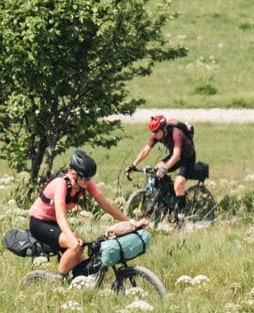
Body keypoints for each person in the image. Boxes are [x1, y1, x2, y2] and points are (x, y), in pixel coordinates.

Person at [28, 149, 145, 277]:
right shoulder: (60, 184)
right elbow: (61, 217)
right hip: (39, 223)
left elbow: (106, 205)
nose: (87, 180)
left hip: (54, 224)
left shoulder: (84, 181)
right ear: (73, 173)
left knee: (82, 246)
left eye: (90, 177)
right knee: (75, 246)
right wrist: (72, 240)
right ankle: (58, 281)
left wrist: (131, 223)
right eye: (85, 177)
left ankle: (76, 279)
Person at [128, 115, 199, 219]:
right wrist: (133, 165)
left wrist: (165, 168)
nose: (154, 134)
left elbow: (176, 156)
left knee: (178, 184)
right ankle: (168, 200)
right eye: (152, 132)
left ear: (164, 129)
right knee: (156, 170)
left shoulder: (176, 133)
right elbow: (145, 151)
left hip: (187, 157)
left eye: (156, 132)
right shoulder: (156, 134)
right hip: (175, 156)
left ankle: (181, 216)